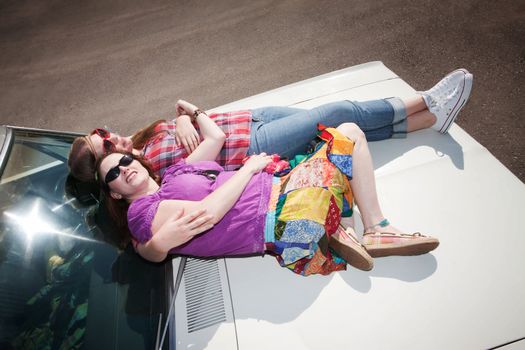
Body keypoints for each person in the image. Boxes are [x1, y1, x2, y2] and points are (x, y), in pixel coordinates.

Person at [95, 86, 455, 274]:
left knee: (342, 133)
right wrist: (248, 169)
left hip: (283, 192)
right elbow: (205, 214)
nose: (124, 167)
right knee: (345, 129)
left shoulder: (174, 173)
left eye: (125, 160)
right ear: (114, 190)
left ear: (136, 158)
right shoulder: (141, 211)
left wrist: (188, 112)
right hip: (280, 219)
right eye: (114, 172)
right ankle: (362, 226)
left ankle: (344, 224)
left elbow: (216, 139)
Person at [71, 69, 473, 183]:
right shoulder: (149, 173)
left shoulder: (145, 140)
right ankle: (428, 100)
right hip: (253, 143)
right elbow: (211, 144)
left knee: (336, 127)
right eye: (105, 144)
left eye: (102, 131)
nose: (111, 135)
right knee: (335, 115)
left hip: (251, 118)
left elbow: (194, 117)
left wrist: (182, 113)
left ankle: (432, 121)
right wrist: (190, 113)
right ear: (106, 165)